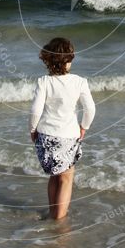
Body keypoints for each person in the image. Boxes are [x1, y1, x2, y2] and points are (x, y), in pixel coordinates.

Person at [29, 37, 95, 220]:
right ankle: (59, 219)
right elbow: (90, 109)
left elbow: (35, 110)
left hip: (46, 135)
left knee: (54, 175)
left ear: (49, 60)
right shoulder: (79, 81)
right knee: (66, 179)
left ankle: (53, 212)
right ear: (68, 59)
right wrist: (84, 127)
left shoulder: (43, 81)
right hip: (68, 135)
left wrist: (33, 130)